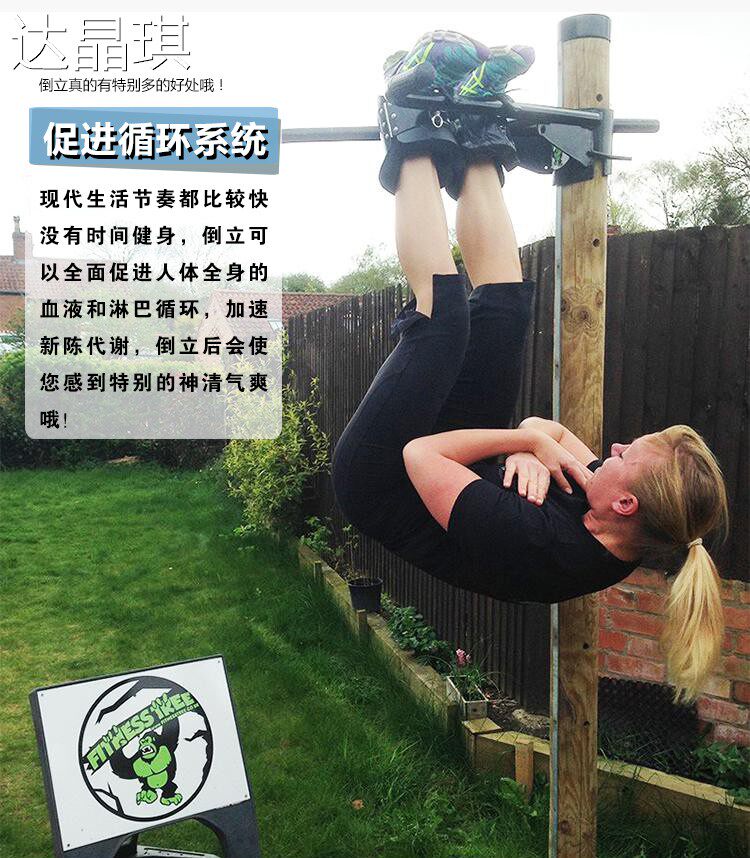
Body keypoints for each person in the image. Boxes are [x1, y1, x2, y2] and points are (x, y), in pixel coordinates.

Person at [331, 31, 730, 704]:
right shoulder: (614, 504)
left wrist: (526, 443)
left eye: (629, 455)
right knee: (506, 308)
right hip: (459, 462)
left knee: (443, 318)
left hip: (387, 477)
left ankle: (413, 116)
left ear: (626, 504)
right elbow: (549, 428)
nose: (614, 448)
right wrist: (531, 444)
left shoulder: (540, 548)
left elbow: (423, 455)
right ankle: (477, 132)